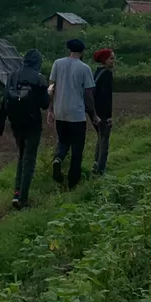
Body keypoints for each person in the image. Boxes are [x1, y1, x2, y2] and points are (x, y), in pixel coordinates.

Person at [0, 49, 49, 209]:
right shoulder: (38, 78)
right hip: (33, 124)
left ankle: (16, 193)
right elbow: (44, 104)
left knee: (21, 156)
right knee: (29, 160)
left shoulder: (13, 75)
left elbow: (4, 102)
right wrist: (50, 92)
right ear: (38, 62)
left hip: (15, 124)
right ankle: (23, 199)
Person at [47, 38, 98, 190]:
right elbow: (88, 93)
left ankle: (58, 158)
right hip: (76, 114)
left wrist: (50, 109)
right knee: (77, 148)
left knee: (63, 142)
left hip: (60, 111)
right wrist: (94, 114)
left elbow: (51, 88)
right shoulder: (84, 68)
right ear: (82, 52)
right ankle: (72, 183)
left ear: (69, 50)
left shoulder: (57, 63)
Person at [92, 48, 115, 176]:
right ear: (104, 60)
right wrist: (109, 117)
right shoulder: (107, 74)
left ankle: (95, 165)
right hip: (103, 113)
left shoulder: (97, 72)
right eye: (111, 58)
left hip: (94, 112)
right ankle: (100, 171)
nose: (113, 61)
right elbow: (107, 97)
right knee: (104, 141)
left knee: (99, 140)